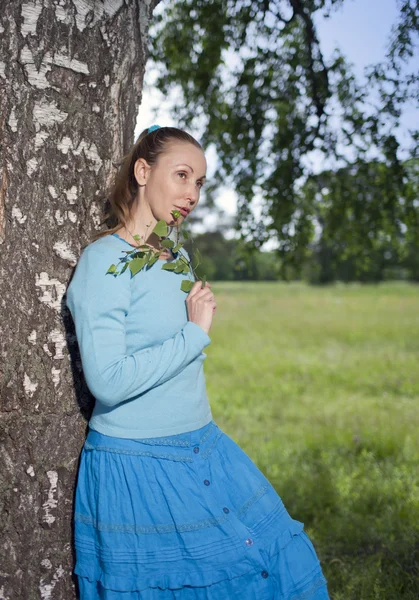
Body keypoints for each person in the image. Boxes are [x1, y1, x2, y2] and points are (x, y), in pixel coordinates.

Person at [66, 125, 330, 599]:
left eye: (201, 182)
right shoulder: (102, 261)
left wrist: (193, 329)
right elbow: (107, 380)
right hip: (140, 463)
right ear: (143, 171)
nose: (192, 194)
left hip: (202, 443)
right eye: (182, 175)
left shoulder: (175, 258)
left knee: (279, 562)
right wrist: (194, 334)